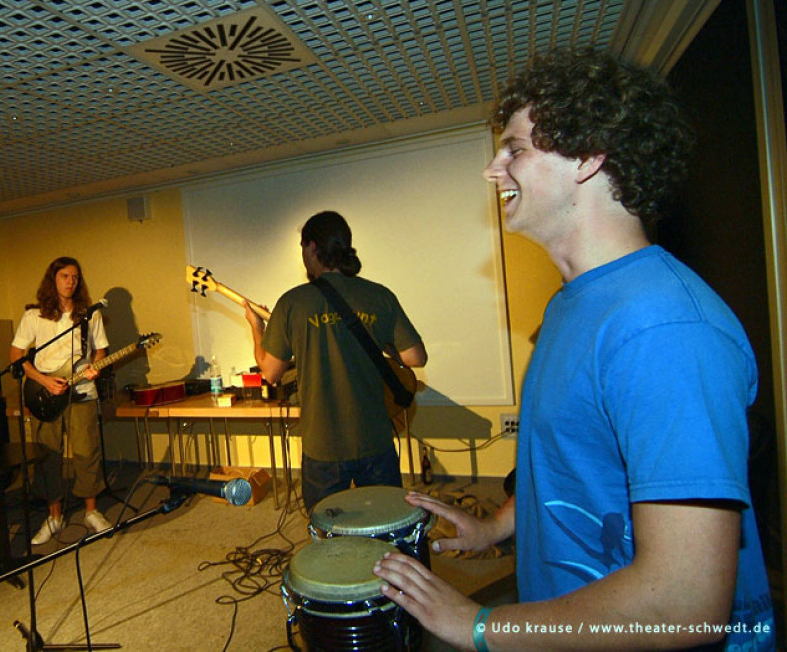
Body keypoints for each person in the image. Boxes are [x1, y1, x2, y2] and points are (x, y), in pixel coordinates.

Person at [373, 48, 775, 650]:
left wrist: (476, 624)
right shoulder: (574, 304)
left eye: (516, 150)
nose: (492, 169)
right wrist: (496, 527)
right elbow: (574, 467)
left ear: (589, 157)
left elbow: (685, 600)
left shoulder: (663, 330)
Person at [244, 210, 427, 512]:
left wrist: (256, 328)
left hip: (323, 445)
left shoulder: (292, 302)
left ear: (313, 247)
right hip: (375, 439)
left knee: (327, 538)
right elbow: (416, 357)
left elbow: (271, 372)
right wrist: (384, 342)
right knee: (384, 523)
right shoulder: (379, 296)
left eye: (303, 247)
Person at [10, 256, 112, 545]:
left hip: (81, 393)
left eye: (75, 277)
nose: (71, 281)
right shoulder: (34, 316)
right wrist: (42, 380)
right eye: (65, 276)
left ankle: (92, 512)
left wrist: (96, 367)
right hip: (44, 394)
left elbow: (101, 351)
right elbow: (16, 355)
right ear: (52, 279)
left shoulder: (89, 315)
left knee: (86, 451)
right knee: (47, 455)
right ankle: (54, 516)